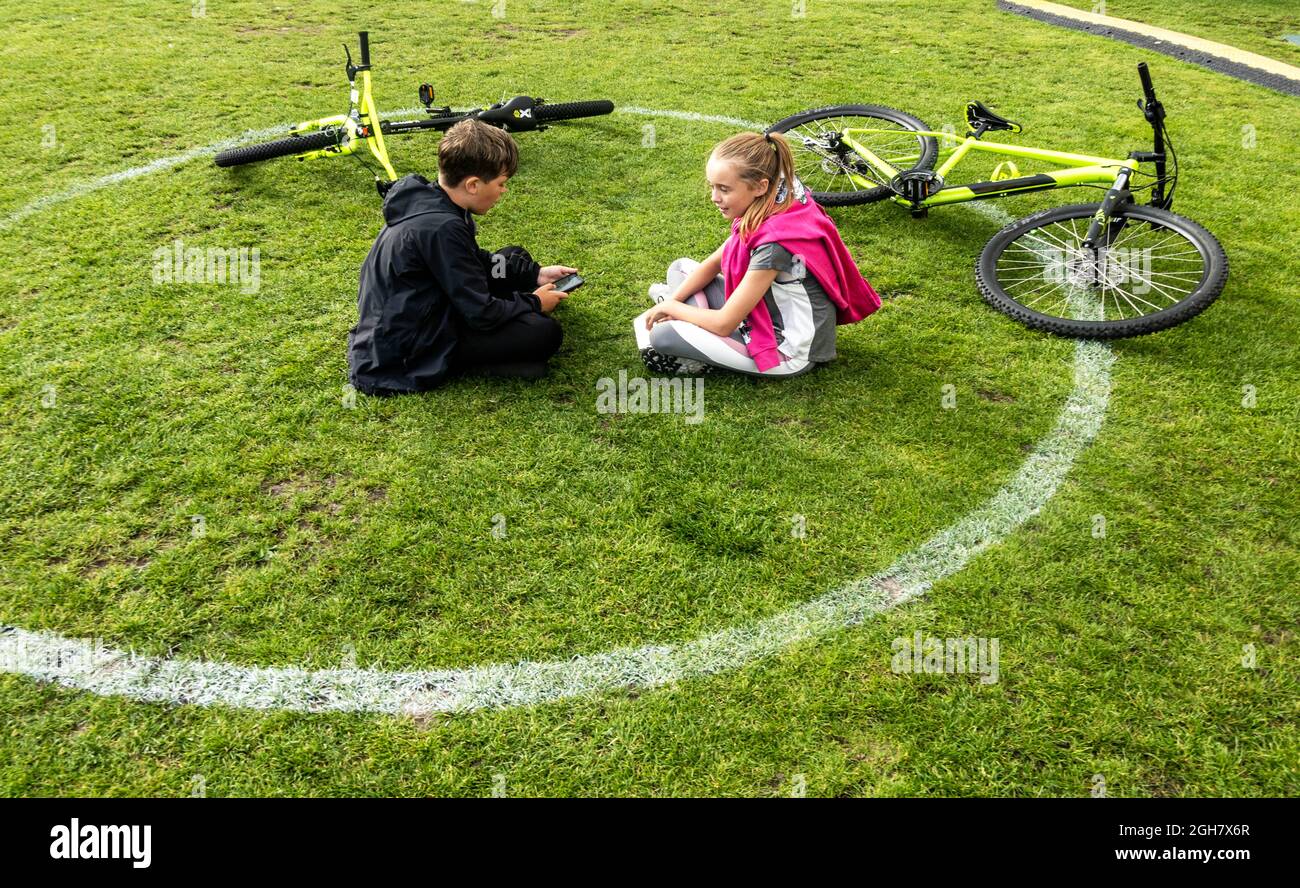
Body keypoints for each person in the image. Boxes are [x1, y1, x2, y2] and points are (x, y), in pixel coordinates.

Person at [348, 119, 578, 395]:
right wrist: (533, 302)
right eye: (501, 183)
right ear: (473, 185)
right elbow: (482, 314)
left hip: (428, 307)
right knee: (543, 332)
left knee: (514, 257)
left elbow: (472, 260)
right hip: (410, 347)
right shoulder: (442, 228)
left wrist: (534, 274)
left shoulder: (435, 201)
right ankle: (472, 364)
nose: (503, 191)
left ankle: (520, 305)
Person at [634, 131, 881, 377]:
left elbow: (724, 323)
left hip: (788, 351)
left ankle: (693, 339)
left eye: (724, 189)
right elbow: (713, 263)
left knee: (662, 337)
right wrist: (673, 302)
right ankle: (685, 318)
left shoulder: (774, 243)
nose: (714, 197)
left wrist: (674, 309)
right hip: (764, 311)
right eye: (712, 187)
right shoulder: (778, 197)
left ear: (760, 186)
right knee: (681, 269)